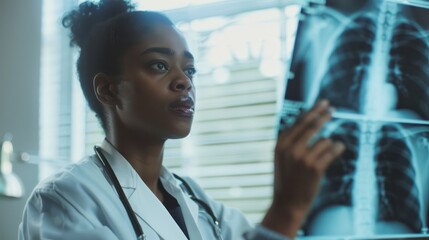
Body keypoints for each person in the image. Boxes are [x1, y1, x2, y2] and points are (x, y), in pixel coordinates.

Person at [18, 0, 345, 239]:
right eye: (159, 65)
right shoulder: (64, 201)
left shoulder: (195, 199)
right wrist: (286, 210)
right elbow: (280, 224)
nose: (184, 82)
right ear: (108, 89)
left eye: (189, 70)